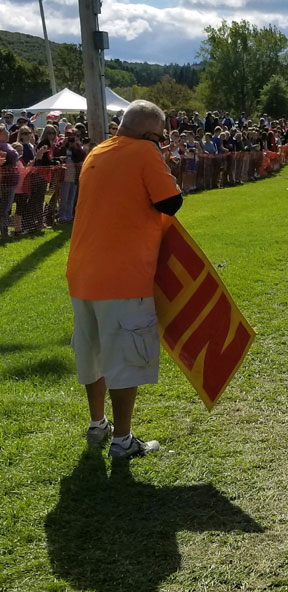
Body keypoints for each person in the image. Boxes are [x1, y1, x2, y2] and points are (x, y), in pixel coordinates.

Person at [65, 99, 183, 459]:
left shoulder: (98, 151)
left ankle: (97, 423)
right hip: (123, 276)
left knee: (92, 354)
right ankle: (123, 440)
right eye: (159, 138)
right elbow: (171, 202)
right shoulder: (144, 152)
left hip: (83, 273)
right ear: (149, 134)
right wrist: (162, 163)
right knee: (126, 360)